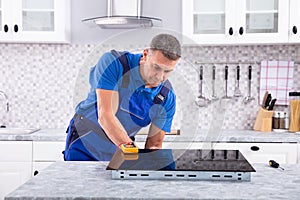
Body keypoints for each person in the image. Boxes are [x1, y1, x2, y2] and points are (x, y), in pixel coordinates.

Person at [64, 33, 181, 161]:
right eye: (156, 67)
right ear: (146, 55)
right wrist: (132, 152)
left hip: (120, 152)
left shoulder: (166, 97)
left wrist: (152, 166)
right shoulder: (114, 64)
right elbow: (106, 116)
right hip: (84, 143)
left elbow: (154, 145)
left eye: (167, 71)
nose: (159, 76)